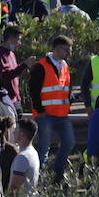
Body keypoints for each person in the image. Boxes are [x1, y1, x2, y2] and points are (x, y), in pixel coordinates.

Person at [29, 35, 75, 183]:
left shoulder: (65, 66)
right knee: (43, 149)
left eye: (69, 50)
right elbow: (33, 90)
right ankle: (40, 179)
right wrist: (39, 109)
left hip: (62, 114)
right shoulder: (41, 66)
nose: (68, 53)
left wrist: (69, 102)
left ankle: (57, 173)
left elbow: (66, 88)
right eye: (66, 50)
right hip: (45, 115)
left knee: (69, 142)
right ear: (56, 49)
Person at [8, 117, 42, 195]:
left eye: (16, 130)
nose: (13, 132)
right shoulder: (33, 152)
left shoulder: (22, 157)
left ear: (21, 134)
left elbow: (14, 188)